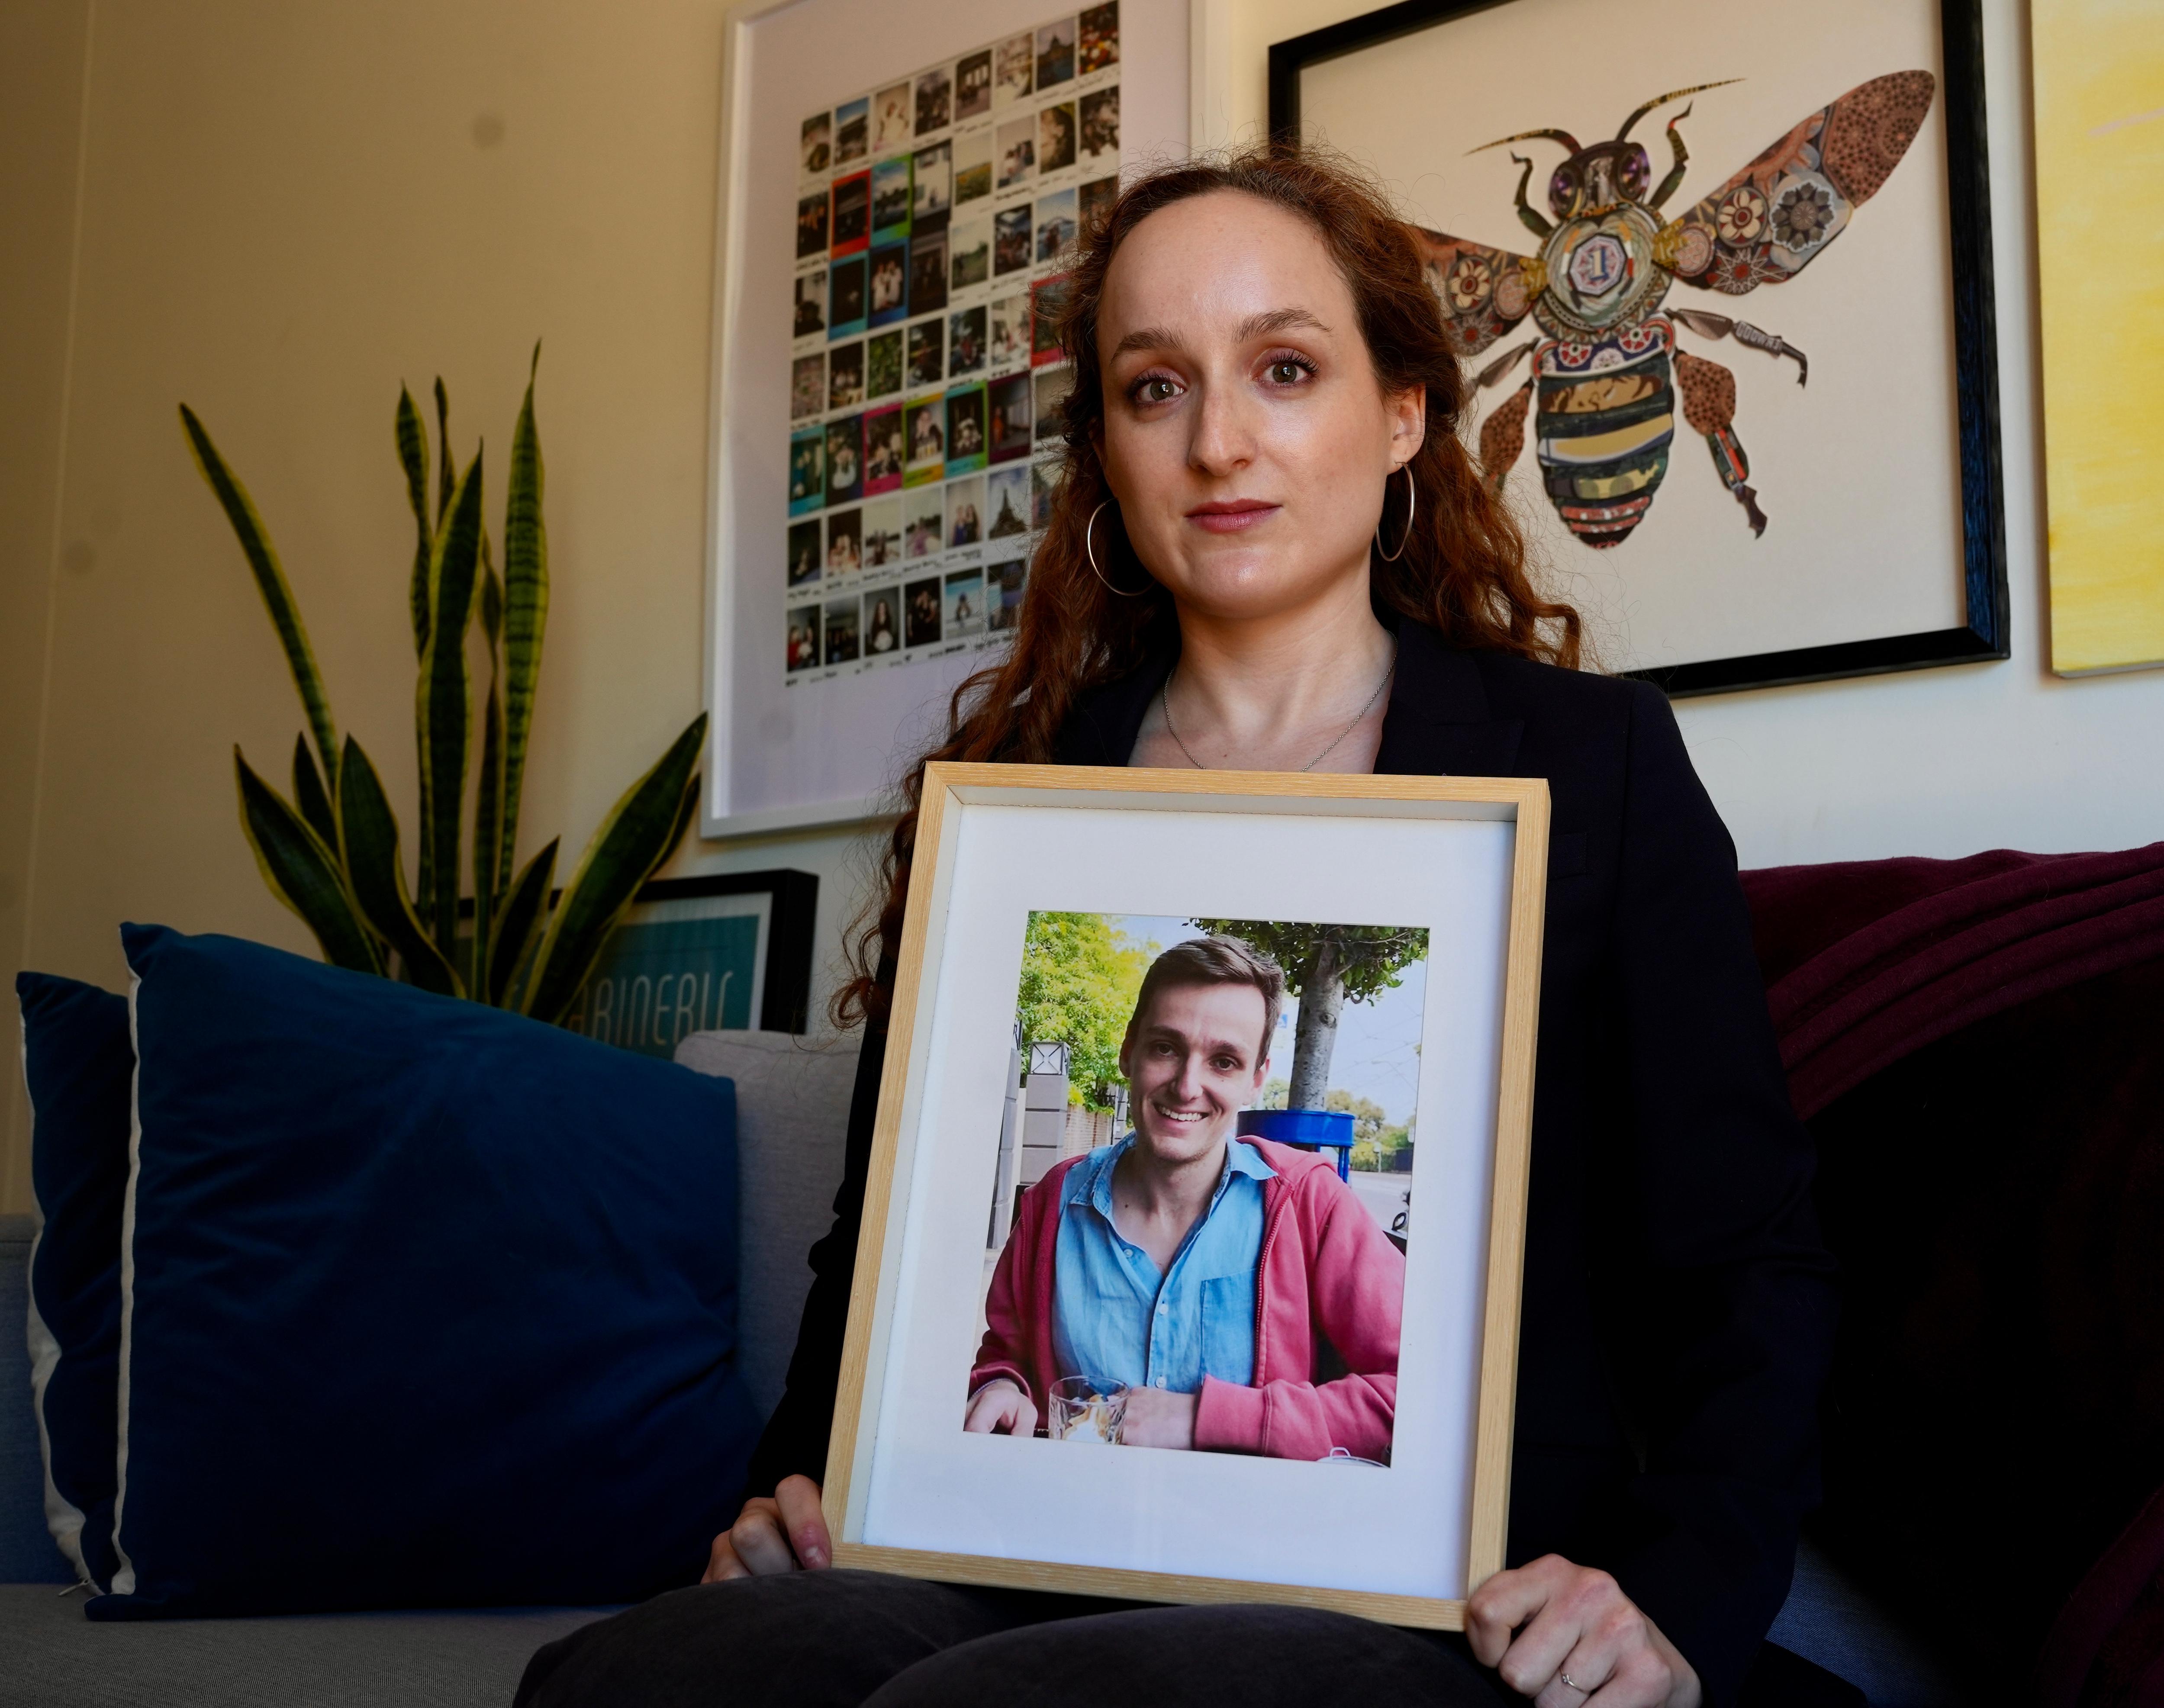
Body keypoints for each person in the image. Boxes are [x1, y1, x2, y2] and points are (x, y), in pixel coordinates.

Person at [518, 146, 1836, 1708]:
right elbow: (878, 1247)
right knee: (644, 1672)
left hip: (1439, 1587)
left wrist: (1669, 1595)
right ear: (1109, 449)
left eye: (1283, 368)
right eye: (1154, 387)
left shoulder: (1589, 766)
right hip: (997, 1546)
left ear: (1403, 412)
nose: (1218, 440)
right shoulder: (1010, 799)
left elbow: (1742, 1259)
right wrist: (800, 1490)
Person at [967, 934, 1403, 1460]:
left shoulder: (1309, 1202)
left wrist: (1203, 1416)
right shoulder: (1050, 1204)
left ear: (1255, 1079)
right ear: (1129, 1050)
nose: (1186, 1086)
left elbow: (1417, 1394)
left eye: (1223, 1061)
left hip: (1244, 1533)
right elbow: (1006, 1357)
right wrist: (1000, 1387)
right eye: (1166, 1047)